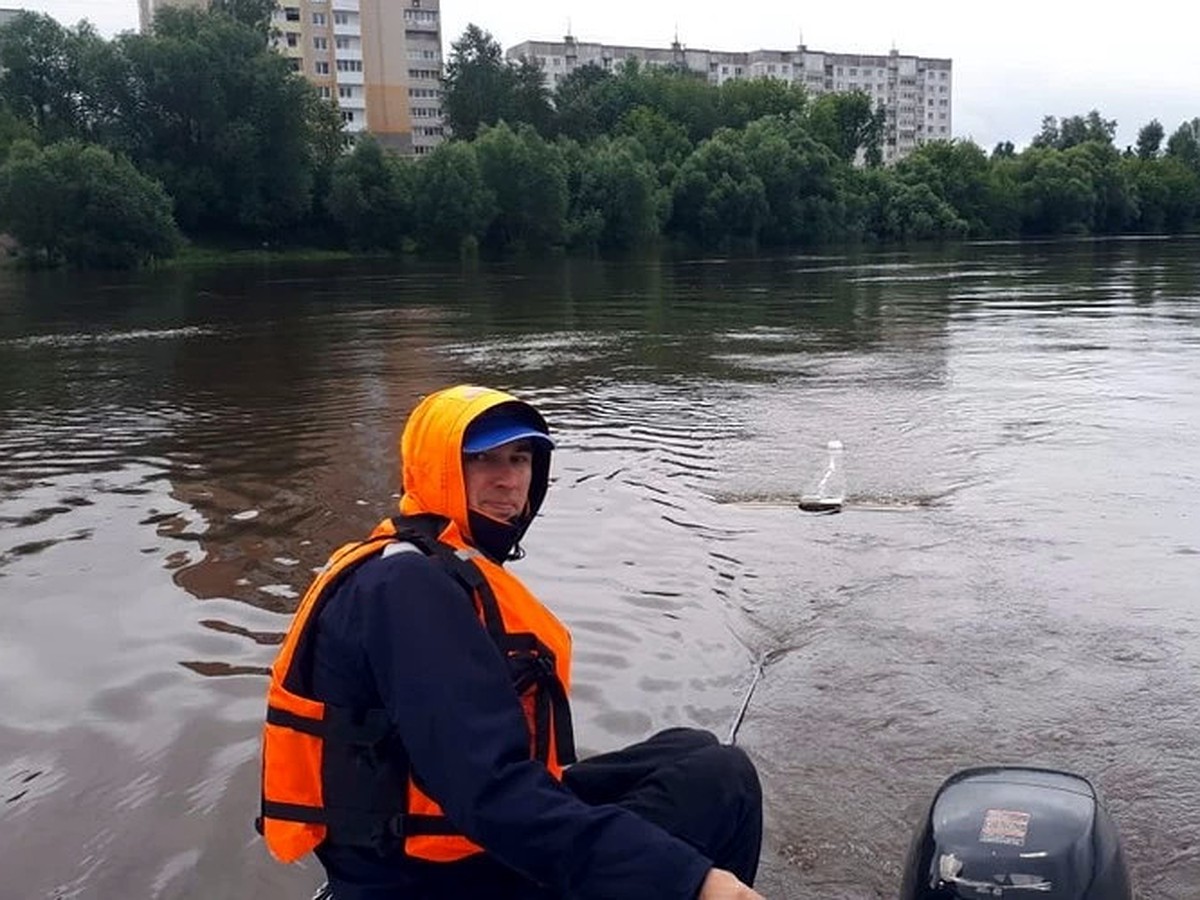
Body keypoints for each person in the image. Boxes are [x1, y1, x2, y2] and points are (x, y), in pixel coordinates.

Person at [259, 384, 764, 900]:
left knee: (690, 749)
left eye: (519, 459)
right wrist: (692, 880)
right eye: (481, 460)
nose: (508, 482)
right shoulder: (407, 589)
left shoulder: (428, 561)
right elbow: (489, 792)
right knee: (725, 779)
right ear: (437, 471)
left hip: (447, 843)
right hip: (425, 881)